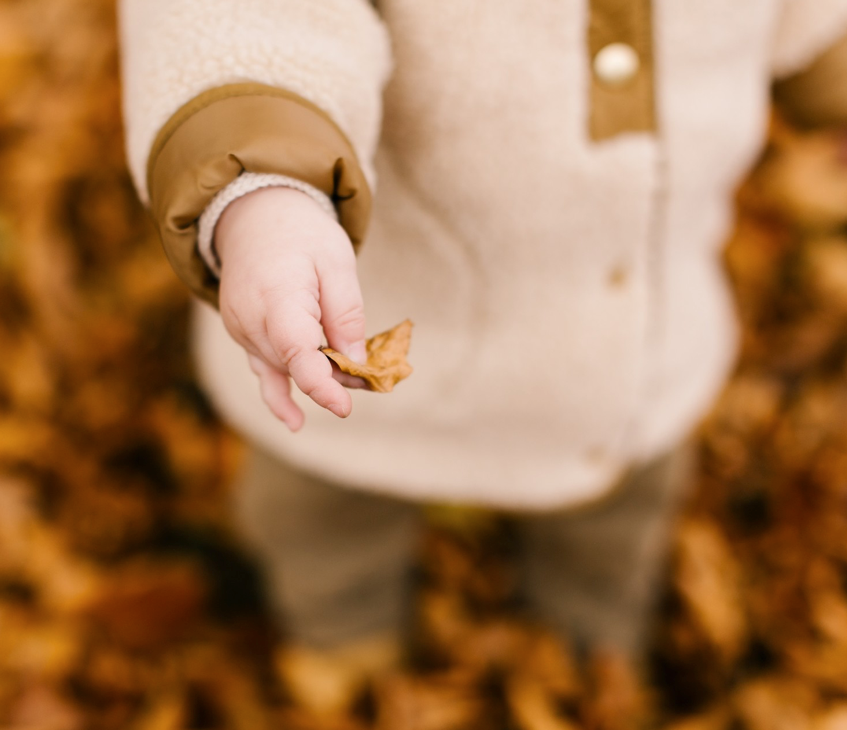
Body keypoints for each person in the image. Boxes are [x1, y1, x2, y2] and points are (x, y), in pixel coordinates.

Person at [118, 0, 847, 715]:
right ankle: (344, 639)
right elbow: (244, 16)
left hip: (626, 340)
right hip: (352, 325)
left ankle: (589, 656)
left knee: (614, 523)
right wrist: (263, 187)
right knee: (322, 517)